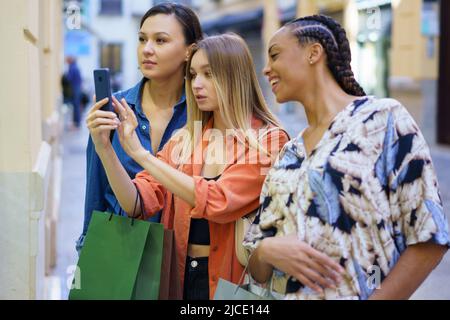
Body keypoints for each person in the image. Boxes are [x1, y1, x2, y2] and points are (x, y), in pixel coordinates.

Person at [244, 14, 449, 300]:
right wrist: (266, 251)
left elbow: (431, 237)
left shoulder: (383, 119)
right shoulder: (289, 154)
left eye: (275, 55)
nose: (265, 69)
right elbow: (255, 266)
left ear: (314, 52)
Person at [90, 33, 289, 299]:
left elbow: (219, 201)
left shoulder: (268, 141)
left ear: (235, 76)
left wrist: (141, 154)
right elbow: (136, 202)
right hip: (182, 278)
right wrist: (105, 148)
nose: (197, 84)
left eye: (208, 74)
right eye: (193, 75)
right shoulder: (185, 140)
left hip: (236, 285)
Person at [76, 3, 203, 253]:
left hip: (181, 259)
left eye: (160, 40)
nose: (147, 49)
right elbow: (95, 191)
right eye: (142, 39)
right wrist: (87, 254)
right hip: (120, 251)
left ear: (190, 51)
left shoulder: (202, 113)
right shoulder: (114, 108)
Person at [65, 56, 83, 129]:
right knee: (77, 105)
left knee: (76, 106)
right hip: (77, 87)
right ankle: (77, 122)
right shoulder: (76, 66)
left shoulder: (72, 67)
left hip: (75, 87)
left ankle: (76, 123)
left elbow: (69, 78)